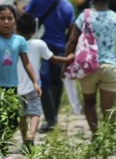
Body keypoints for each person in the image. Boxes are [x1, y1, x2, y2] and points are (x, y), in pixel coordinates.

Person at [62, 0, 116, 135]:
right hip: (110, 66)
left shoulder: (84, 16)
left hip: (88, 67)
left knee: (89, 103)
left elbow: (72, 41)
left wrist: (66, 64)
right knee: (108, 108)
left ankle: (96, 135)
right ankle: (107, 137)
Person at [0, 5, 41, 159]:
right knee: (2, 120)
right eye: (2, 18)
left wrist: (35, 82)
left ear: (15, 22)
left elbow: (27, 63)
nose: (6, 22)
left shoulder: (19, 41)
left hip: (13, 87)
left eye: (10, 18)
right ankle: (6, 154)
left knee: (14, 120)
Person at [16, 13, 74, 149]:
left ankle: (24, 139)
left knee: (21, 115)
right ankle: (31, 136)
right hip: (34, 85)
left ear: (16, 29)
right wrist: (67, 59)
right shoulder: (39, 44)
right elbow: (53, 59)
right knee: (35, 112)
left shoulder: (14, 43)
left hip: (17, 86)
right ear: (35, 31)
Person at [25, 0, 75, 132]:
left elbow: (26, 18)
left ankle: (51, 118)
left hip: (41, 46)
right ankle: (54, 116)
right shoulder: (66, 4)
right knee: (57, 81)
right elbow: (71, 29)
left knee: (44, 83)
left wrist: (17, 1)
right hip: (60, 47)